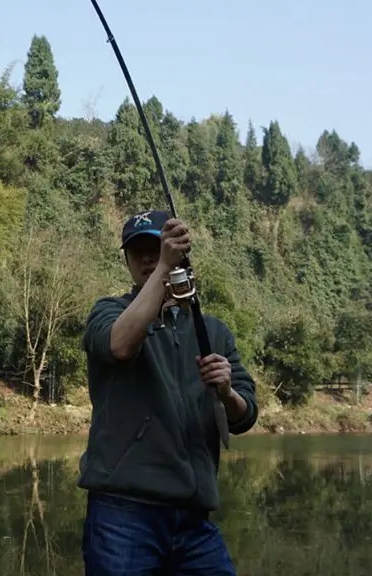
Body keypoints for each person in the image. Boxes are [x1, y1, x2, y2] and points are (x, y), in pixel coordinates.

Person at [78, 209, 258, 575]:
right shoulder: (109, 312)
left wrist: (227, 393)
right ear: (127, 262)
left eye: (157, 248)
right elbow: (119, 346)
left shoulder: (213, 331)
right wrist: (164, 267)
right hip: (122, 515)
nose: (148, 258)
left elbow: (245, 415)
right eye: (139, 252)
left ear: (183, 254)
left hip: (194, 520)